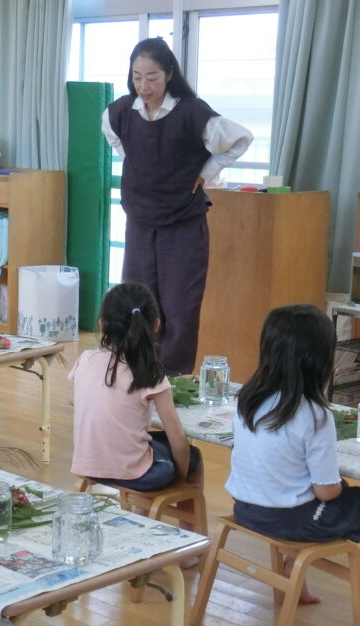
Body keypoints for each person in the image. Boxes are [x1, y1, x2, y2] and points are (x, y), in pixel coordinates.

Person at [225, 304, 360, 626]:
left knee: (308, 489)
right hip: (289, 520)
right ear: (320, 359)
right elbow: (326, 493)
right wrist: (340, 486)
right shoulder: (314, 414)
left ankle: (293, 572)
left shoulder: (247, 400)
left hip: (245, 510)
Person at [103, 37, 253, 375]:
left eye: (152, 77)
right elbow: (113, 135)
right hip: (140, 221)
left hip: (183, 224)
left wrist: (207, 172)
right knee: (137, 304)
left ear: (169, 73)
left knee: (179, 309)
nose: (143, 85)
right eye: (137, 76)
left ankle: (171, 383)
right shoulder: (122, 111)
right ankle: (136, 375)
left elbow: (240, 139)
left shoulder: (191, 111)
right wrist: (137, 161)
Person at [69, 282, 203, 529]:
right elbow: (178, 439)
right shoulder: (149, 373)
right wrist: (179, 478)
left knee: (150, 442)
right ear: (156, 325)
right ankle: (189, 543)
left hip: (88, 465)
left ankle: (140, 515)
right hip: (135, 475)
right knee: (191, 456)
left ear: (101, 324)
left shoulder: (85, 360)